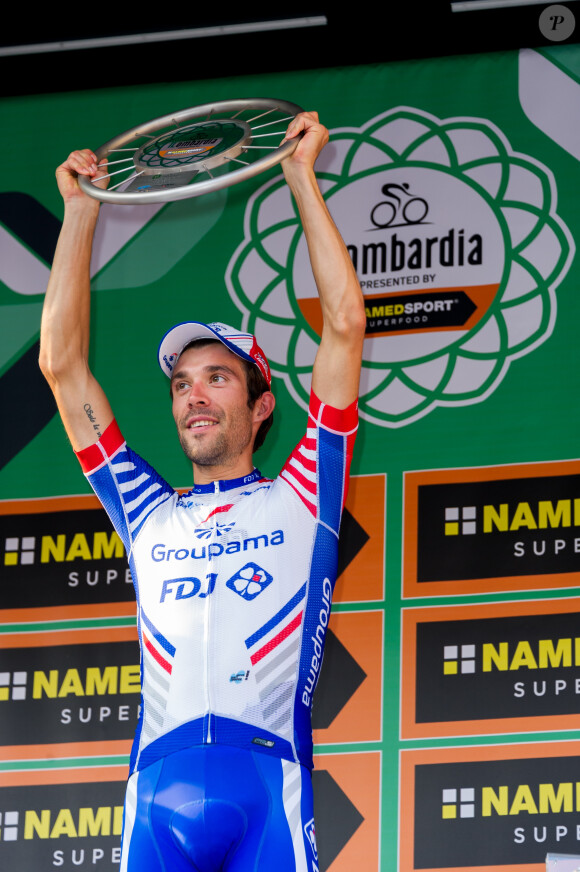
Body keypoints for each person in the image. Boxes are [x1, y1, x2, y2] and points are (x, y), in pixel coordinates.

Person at [40, 111, 366, 872]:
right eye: (182, 383)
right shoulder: (144, 508)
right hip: (154, 791)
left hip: (267, 785)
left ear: (260, 406)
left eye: (217, 378)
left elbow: (346, 326)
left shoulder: (307, 491)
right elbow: (61, 365)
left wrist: (299, 178)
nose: (193, 396)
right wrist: (81, 212)